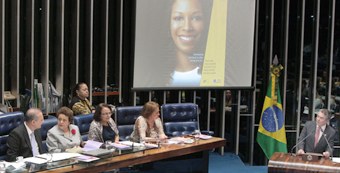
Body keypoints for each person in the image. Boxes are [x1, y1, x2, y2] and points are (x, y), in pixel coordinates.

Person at [167, 0, 212, 86]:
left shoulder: (216, 75)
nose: (187, 27)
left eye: (196, 18)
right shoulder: (156, 74)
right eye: (178, 18)